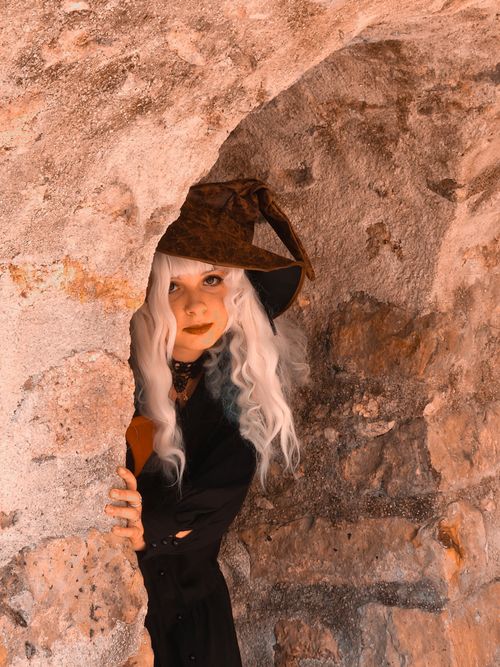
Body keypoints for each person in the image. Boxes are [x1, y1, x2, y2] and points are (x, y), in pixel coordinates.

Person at [104, 179, 315, 666]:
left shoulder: (237, 392)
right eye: (172, 286)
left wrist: (150, 527)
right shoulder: (116, 384)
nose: (195, 305)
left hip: (200, 624)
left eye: (212, 281)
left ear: (237, 294)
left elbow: (221, 494)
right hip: (126, 615)